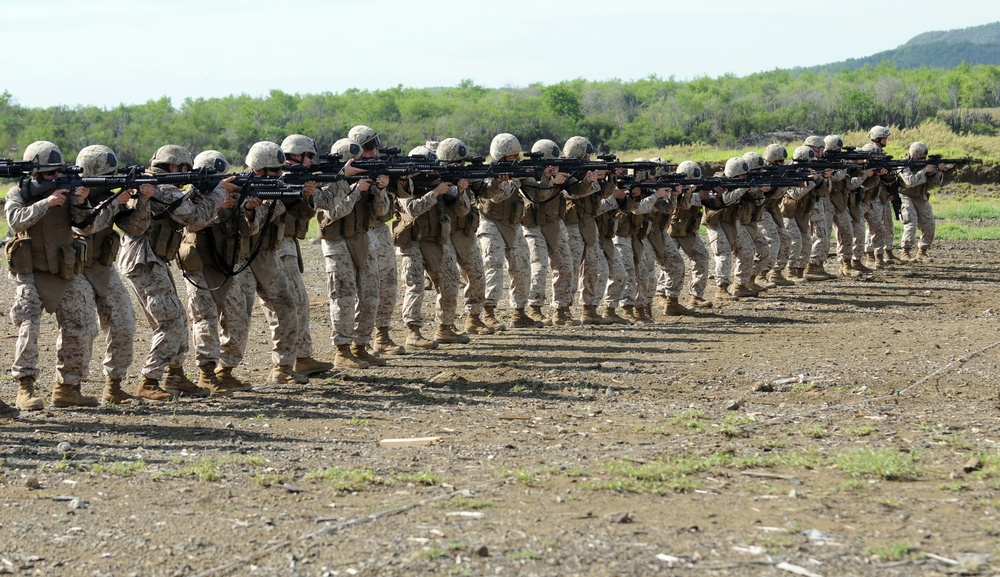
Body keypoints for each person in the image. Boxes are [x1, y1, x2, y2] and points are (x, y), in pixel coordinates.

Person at [118, 144, 237, 400]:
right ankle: (149, 380)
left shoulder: (161, 188)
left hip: (152, 259)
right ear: (175, 168)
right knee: (171, 320)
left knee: (178, 318)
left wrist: (198, 192)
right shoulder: (163, 189)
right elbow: (197, 219)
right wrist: (217, 192)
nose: (186, 172)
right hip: (144, 259)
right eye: (184, 169)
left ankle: (175, 375)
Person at [5, 141, 108, 409]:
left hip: (64, 270)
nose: (55, 178)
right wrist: (46, 203)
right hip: (29, 272)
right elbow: (15, 221)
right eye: (49, 174)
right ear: (35, 174)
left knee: (84, 324)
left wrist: (82, 201)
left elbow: (87, 226)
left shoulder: (69, 192)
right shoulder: (18, 193)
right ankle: (25, 388)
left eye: (58, 173)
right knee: (28, 327)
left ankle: (67, 388)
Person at [74, 145, 154, 404]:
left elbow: (135, 228)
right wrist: (114, 202)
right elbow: (87, 226)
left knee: (123, 323)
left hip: (103, 267)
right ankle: (67, 387)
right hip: (75, 269)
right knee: (82, 328)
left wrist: (142, 201)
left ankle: (114, 386)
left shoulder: (110, 196)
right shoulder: (74, 196)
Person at [178, 150, 261, 395]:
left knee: (238, 318)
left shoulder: (229, 196)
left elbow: (248, 232)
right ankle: (206, 373)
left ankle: (225, 370)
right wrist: (216, 202)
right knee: (205, 320)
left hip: (225, 266)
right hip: (199, 264)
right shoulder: (191, 198)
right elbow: (193, 222)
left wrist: (248, 210)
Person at [311, 137, 389, 368]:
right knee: (343, 297)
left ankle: (360, 345)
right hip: (336, 242)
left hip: (361, 238)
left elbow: (382, 212)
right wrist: (353, 190)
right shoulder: (327, 182)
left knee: (370, 295)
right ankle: (342, 350)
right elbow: (332, 213)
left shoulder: (365, 180)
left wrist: (380, 190)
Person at [242, 141, 311, 384]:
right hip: (240, 259)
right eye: (274, 171)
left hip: (267, 255)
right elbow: (251, 226)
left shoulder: (275, 187)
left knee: (287, 308)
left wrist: (303, 195)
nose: (279, 176)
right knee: (237, 317)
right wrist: (254, 206)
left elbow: (303, 213)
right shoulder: (240, 189)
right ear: (258, 170)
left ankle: (282, 367)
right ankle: (219, 372)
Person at [393, 148, 471, 348]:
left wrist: (460, 192)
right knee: (415, 285)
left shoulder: (442, 184)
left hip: (435, 240)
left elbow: (462, 212)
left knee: (450, 280)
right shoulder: (404, 185)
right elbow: (412, 209)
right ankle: (413, 333)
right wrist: (434, 193)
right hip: (411, 241)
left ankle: (445, 328)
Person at [348, 125, 407, 356]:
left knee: (388, 284)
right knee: (364, 289)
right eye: (367, 148)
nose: (373, 152)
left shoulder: (380, 168)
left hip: (379, 229)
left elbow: (403, 194)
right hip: (359, 233)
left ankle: (382, 334)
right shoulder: (347, 170)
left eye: (374, 147)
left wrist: (394, 182)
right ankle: (359, 340)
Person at [279, 135, 335, 376]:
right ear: (296, 154)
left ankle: (302, 357)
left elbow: (317, 205)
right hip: (277, 247)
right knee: (287, 307)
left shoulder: (297, 178)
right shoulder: (282, 179)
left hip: (288, 245)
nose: (312, 161)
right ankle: (284, 363)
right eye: (309, 156)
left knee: (300, 303)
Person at [435, 138, 501, 333]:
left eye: (462, 163)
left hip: (464, 232)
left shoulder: (466, 176)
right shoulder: (437, 177)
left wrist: (497, 181)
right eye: (456, 163)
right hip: (444, 233)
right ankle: (445, 325)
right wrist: (458, 189)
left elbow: (486, 192)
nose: (461, 166)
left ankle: (473, 318)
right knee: (449, 280)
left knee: (477, 274)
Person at [477, 133, 542, 329]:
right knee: (493, 268)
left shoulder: (517, 171)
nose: (518, 160)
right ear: (501, 157)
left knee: (522, 267)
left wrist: (547, 178)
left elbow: (538, 193)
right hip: (490, 223)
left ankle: (519, 313)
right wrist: (514, 180)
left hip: (512, 224)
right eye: (514, 157)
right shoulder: (487, 172)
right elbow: (495, 197)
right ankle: (488, 312)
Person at [520, 139, 575, 326]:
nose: (552, 166)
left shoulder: (558, 172)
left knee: (565, 266)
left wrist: (592, 181)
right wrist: (549, 180)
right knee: (540, 266)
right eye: (548, 163)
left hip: (553, 223)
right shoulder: (528, 172)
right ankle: (535, 308)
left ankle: (561, 309)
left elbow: (578, 191)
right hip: (533, 225)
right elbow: (537, 195)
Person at [661, 160, 712, 309]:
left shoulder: (693, 189)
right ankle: (662, 294)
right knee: (669, 263)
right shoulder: (672, 187)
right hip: (673, 229)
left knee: (701, 257)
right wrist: (694, 194)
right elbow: (681, 203)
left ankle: (696, 295)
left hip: (688, 230)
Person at [897, 141, 944, 261]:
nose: (922, 160)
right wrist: (923, 171)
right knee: (910, 222)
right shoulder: (903, 164)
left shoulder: (925, 166)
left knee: (929, 223)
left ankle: (922, 251)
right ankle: (905, 252)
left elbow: (936, 183)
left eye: (924, 158)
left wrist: (938, 171)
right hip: (905, 195)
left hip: (920, 196)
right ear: (913, 156)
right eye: (919, 158)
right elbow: (910, 182)